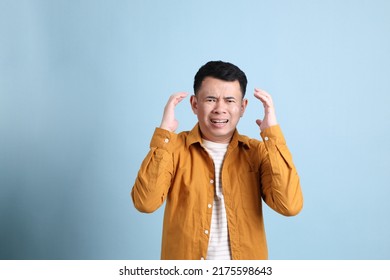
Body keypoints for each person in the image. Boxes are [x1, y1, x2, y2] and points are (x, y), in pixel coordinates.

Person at [131, 61, 303, 260]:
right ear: (195, 104)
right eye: (211, 99)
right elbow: (145, 202)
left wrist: (272, 134)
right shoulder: (173, 149)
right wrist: (165, 133)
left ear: (243, 106)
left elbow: (290, 205)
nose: (220, 109)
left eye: (230, 100)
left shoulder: (257, 152)